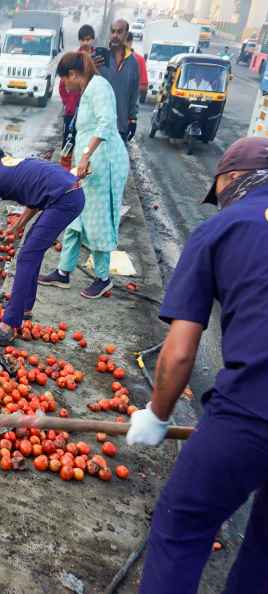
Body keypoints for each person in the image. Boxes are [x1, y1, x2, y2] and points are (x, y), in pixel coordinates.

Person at [126, 136, 268, 594]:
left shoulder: (222, 228)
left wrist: (157, 414)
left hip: (253, 408)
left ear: (230, 179)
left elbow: (181, 350)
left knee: (182, 525)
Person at [0, 138, 85, 346]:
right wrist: (18, 225)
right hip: (68, 193)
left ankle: (8, 325)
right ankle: (25, 308)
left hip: (64, 199)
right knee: (31, 251)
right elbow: (35, 198)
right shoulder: (11, 164)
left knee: (27, 256)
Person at [40, 52, 129, 299]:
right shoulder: (89, 89)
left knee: (98, 220)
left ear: (73, 74)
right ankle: (63, 271)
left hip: (105, 164)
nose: (65, 86)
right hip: (88, 165)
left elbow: (106, 123)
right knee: (74, 214)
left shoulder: (99, 87)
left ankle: (103, 278)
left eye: (65, 80)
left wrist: (87, 155)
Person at [95, 19, 139, 141]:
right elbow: (83, 85)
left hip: (121, 128)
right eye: (113, 31)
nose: (115, 35)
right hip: (98, 127)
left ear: (126, 34)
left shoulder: (133, 63)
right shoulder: (99, 59)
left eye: (119, 32)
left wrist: (133, 119)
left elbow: (134, 93)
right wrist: (91, 67)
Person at [59, 25, 95, 148]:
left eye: (88, 39)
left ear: (93, 40)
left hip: (89, 115)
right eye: (83, 40)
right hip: (72, 112)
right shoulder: (73, 59)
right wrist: (69, 103)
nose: (85, 43)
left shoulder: (98, 60)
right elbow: (62, 85)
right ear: (79, 40)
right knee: (68, 146)